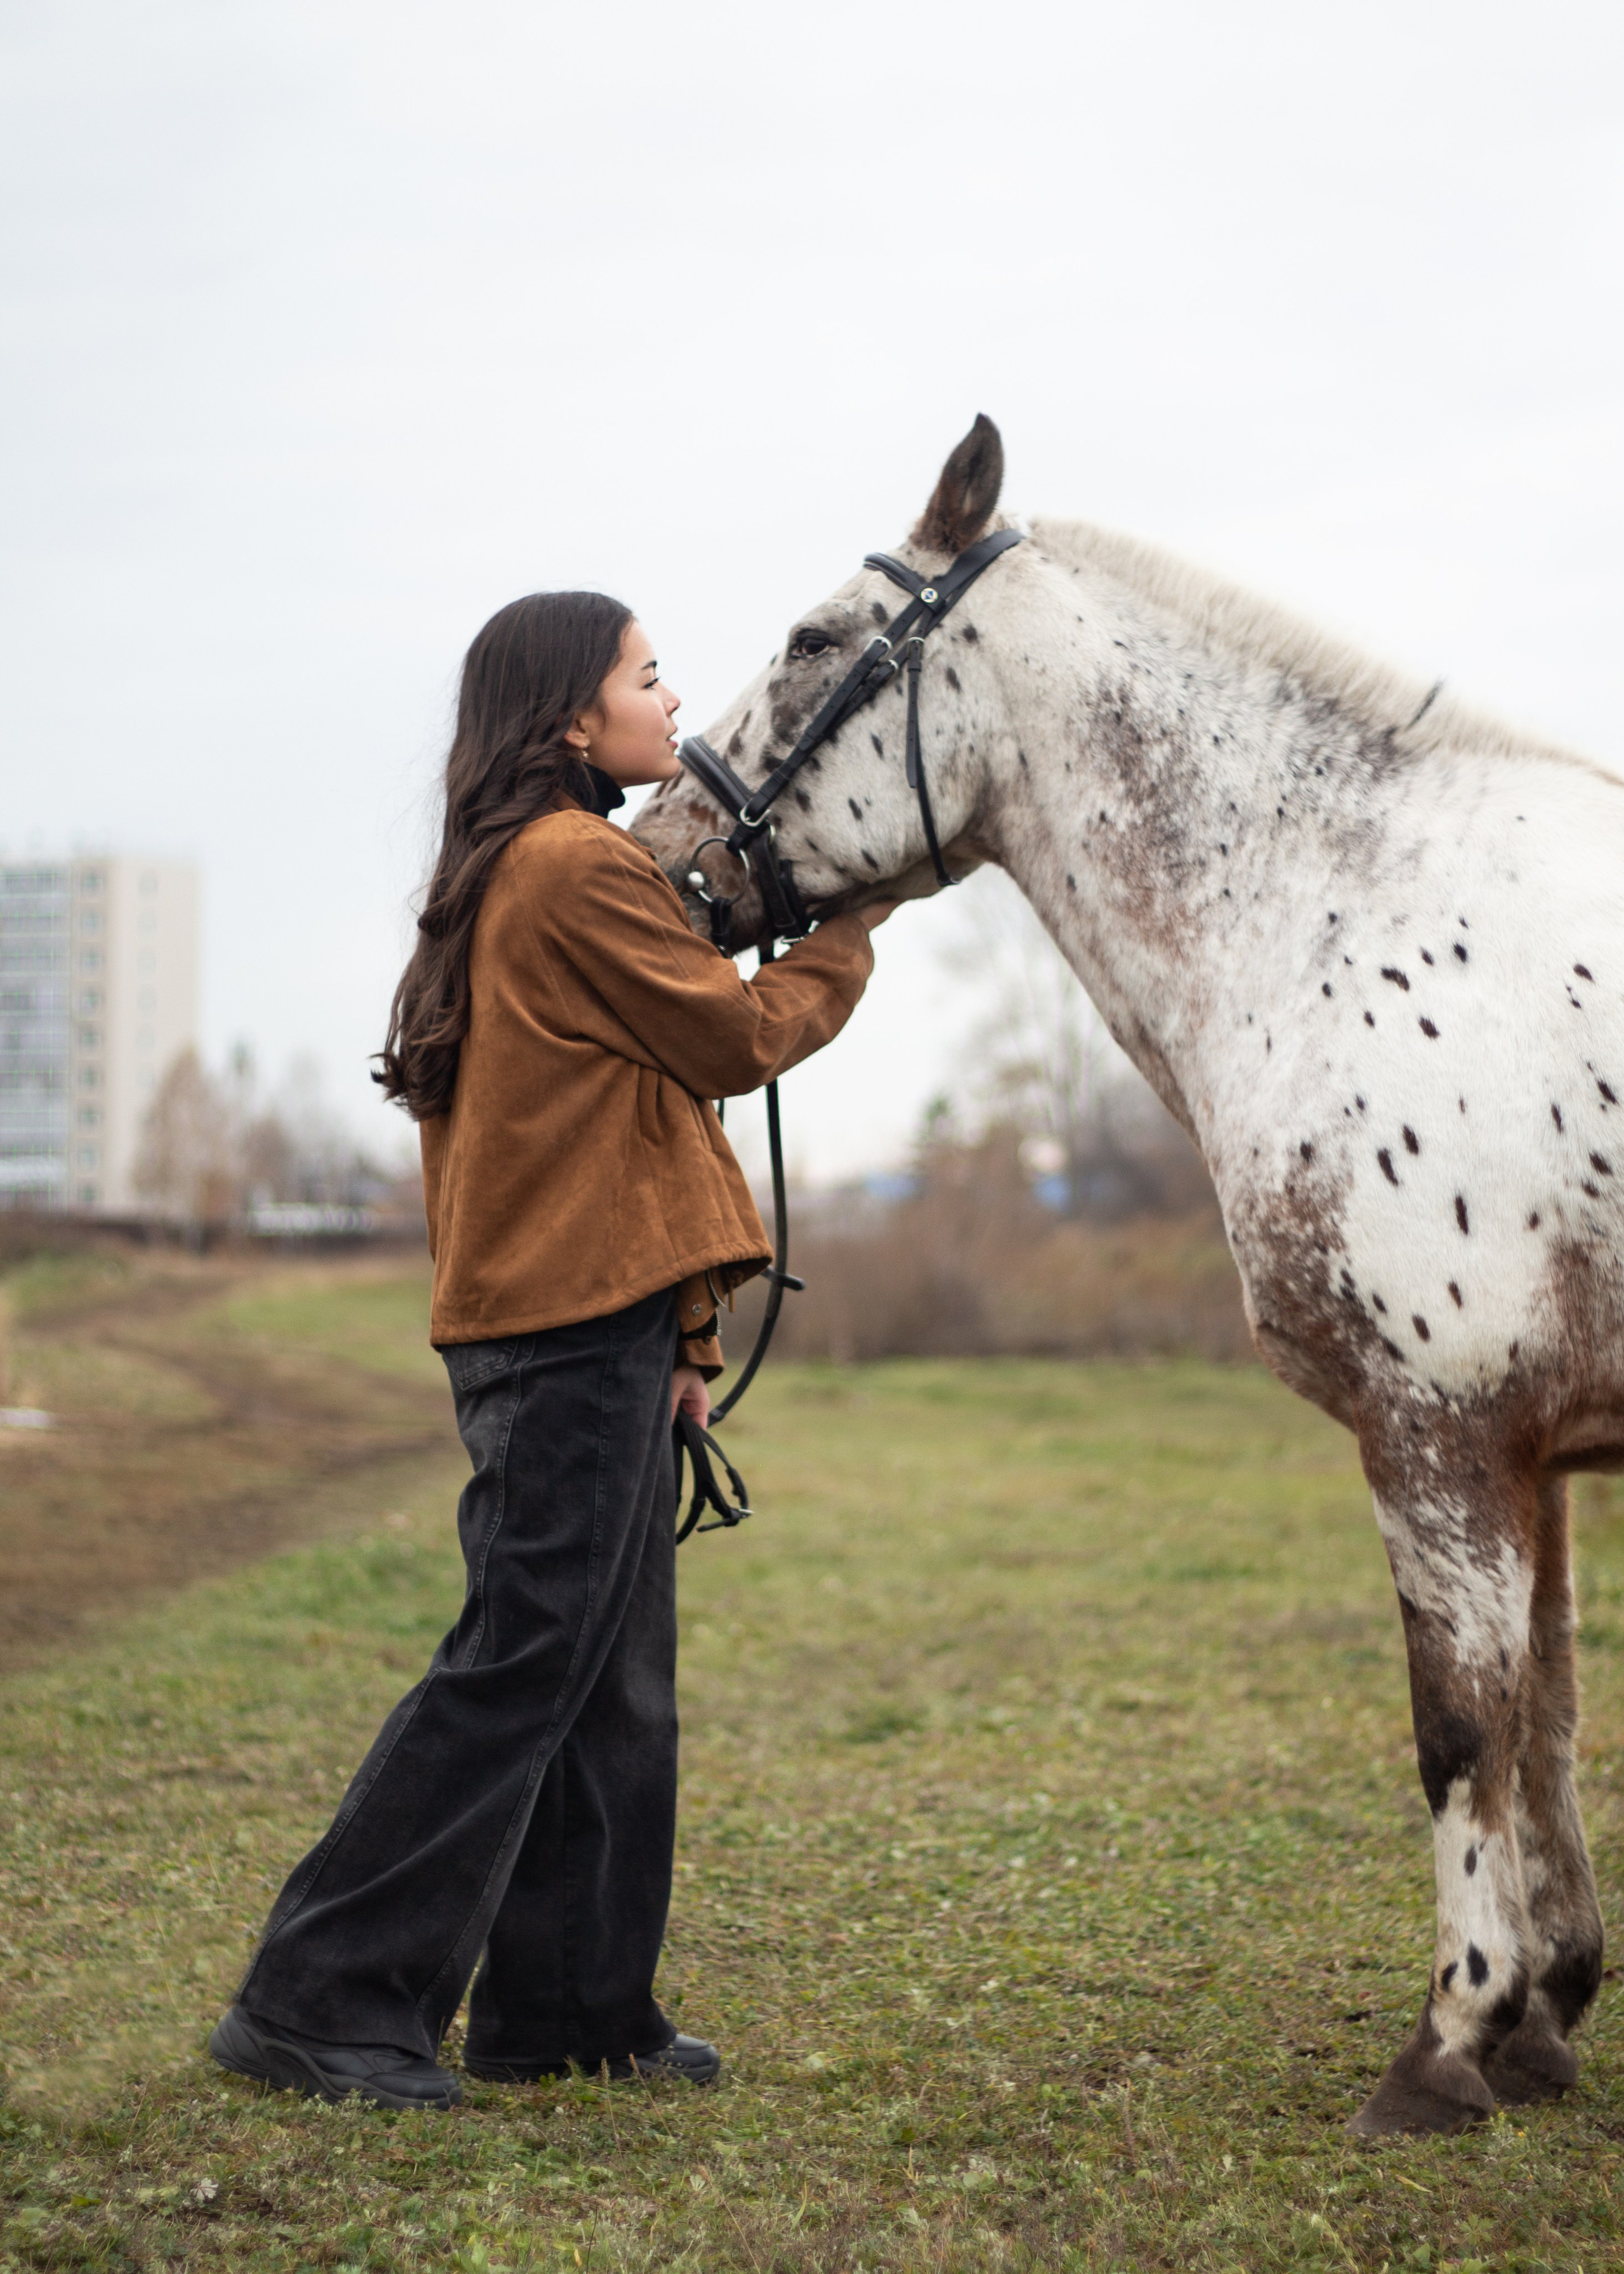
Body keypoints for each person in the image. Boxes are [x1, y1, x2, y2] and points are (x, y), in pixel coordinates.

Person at [209, 591, 889, 2111]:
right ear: (575, 720)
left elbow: (622, 1124)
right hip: (565, 1330)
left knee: (605, 1683)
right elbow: (725, 1043)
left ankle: (570, 2011)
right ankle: (316, 1998)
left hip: (594, 1325)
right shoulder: (576, 864)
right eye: (646, 677)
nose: (670, 700)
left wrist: (682, 1332)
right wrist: (848, 936)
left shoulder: (521, 868)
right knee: (523, 1666)